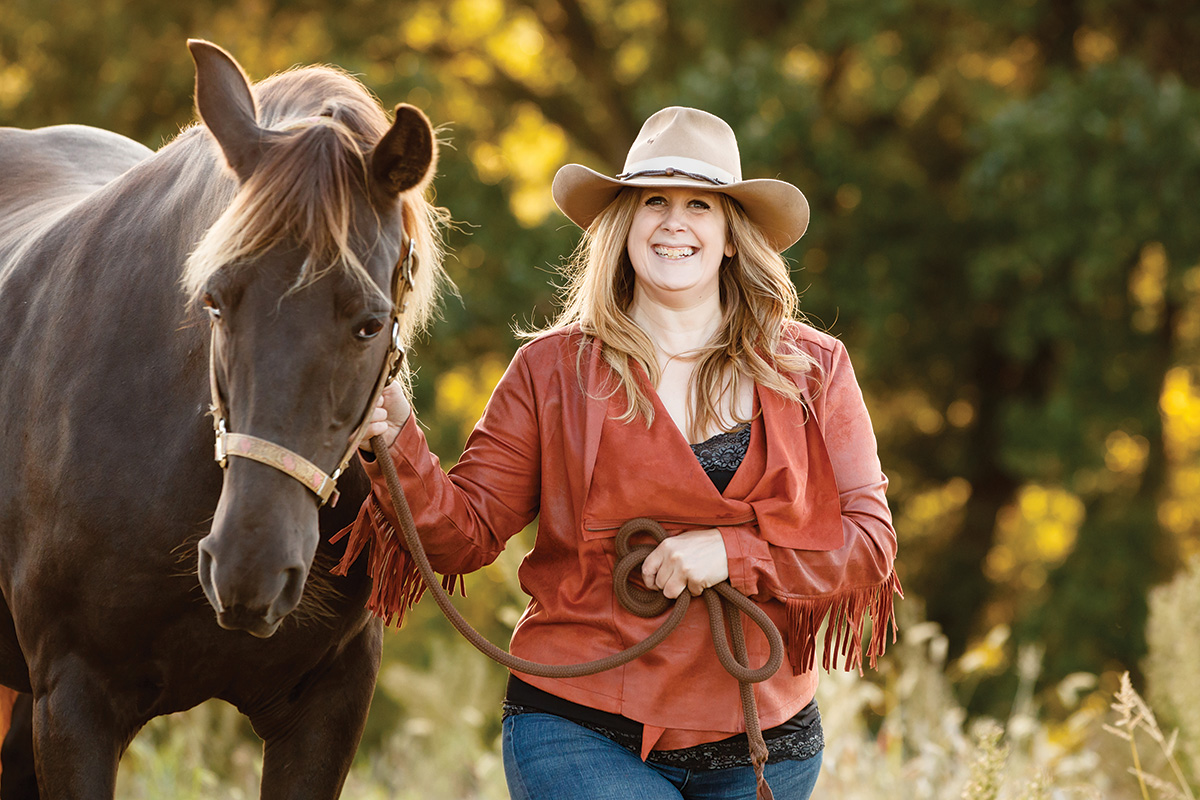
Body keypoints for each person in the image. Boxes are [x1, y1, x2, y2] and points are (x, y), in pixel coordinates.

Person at [347, 106, 901, 800]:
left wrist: (732, 555)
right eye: (652, 202)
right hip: (580, 723)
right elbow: (464, 536)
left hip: (768, 740)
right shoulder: (548, 370)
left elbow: (870, 546)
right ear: (623, 226)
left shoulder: (816, 369)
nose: (675, 222)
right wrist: (397, 435)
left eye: (700, 204)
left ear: (732, 237)